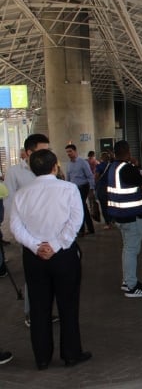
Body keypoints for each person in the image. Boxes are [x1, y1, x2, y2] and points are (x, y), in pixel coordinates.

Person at [10, 149, 92, 370]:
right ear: (55, 166)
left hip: (34, 257)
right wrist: (55, 245)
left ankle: (42, 358)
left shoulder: (22, 194)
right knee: (68, 305)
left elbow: (16, 228)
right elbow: (76, 221)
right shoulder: (69, 189)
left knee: (38, 307)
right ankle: (71, 354)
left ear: (31, 168)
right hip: (64, 255)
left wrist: (37, 246)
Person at [5, 134, 52, 328]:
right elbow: (10, 204)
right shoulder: (15, 173)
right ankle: (32, 313)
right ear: (29, 152)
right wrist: (20, 235)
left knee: (50, 275)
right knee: (33, 277)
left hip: (50, 233)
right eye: (43, 150)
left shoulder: (50, 167)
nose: (48, 154)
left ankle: (45, 312)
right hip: (29, 235)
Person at [108, 140, 142, 297]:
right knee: (131, 250)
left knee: (128, 249)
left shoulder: (112, 167)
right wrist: (134, 166)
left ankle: (128, 281)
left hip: (119, 215)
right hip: (131, 216)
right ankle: (132, 286)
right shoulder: (127, 169)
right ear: (128, 152)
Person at [65, 144, 96, 236]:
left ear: (75, 151)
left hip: (83, 187)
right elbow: (68, 177)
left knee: (80, 206)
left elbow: (90, 176)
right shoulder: (69, 164)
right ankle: (89, 228)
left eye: (70, 151)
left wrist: (91, 189)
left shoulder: (82, 162)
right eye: (67, 152)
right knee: (82, 207)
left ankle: (82, 229)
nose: (68, 154)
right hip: (74, 189)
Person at [94, 151, 114, 229]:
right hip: (111, 188)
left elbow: (96, 176)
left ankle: (108, 222)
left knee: (104, 206)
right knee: (111, 204)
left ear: (101, 158)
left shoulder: (99, 166)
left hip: (102, 188)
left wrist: (95, 184)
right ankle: (113, 219)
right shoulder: (112, 166)